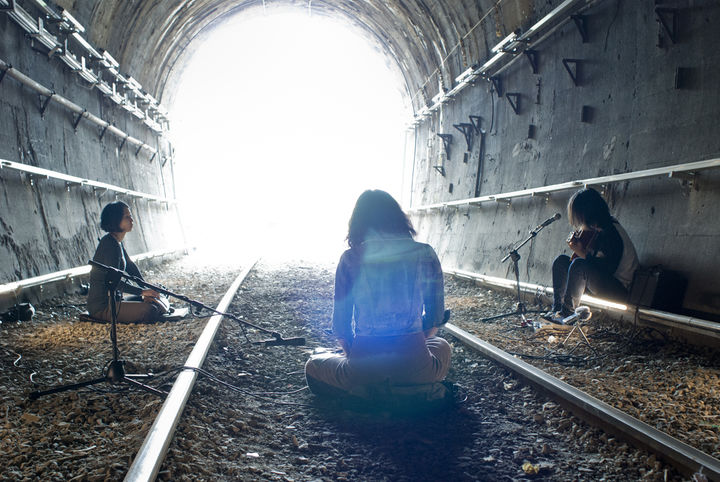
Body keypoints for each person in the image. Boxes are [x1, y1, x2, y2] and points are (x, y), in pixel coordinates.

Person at [305, 190, 452, 397]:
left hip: (363, 372)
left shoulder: (349, 259)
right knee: (442, 346)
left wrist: (351, 355)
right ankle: (408, 387)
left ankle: (368, 388)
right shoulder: (426, 253)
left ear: (358, 223)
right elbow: (436, 318)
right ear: (399, 219)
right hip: (417, 370)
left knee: (313, 364)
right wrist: (415, 341)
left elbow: (341, 326)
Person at [546, 187, 639, 323]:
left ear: (587, 214)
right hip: (603, 282)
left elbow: (607, 269)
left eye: (579, 217)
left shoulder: (611, 232)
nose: (579, 222)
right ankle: (557, 310)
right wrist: (581, 249)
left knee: (579, 266)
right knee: (560, 261)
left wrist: (582, 253)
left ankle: (568, 315)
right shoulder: (597, 230)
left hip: (620, 289)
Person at [86, 201, 168, 323]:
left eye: (130, 216)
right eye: (127, 217)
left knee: (158, 294)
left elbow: (131, 267)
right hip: (102, 307)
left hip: (116, 301)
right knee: (151, 310)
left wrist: (147, 287)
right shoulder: (109, 244)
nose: (132, 219)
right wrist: (143, 292)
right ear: (115, 220)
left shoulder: (117, 241)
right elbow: (113, 281)